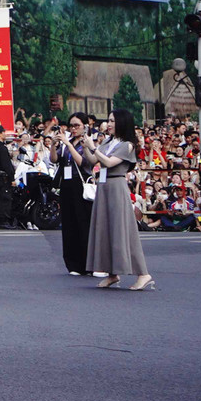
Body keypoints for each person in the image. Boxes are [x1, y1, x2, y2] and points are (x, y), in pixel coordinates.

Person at [76, 110, 153, 290]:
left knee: (122, 230)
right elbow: (94, 160)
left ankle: (143, 273)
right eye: (108, 121)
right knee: (105, 229)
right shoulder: (109, 141)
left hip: (116, 187)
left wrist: (93, 147)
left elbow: (109, 163)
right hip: (103, 187)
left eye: (112, 121)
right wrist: (87, 146)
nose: (108, 124)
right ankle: (112, 273)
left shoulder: (127, 145)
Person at [54, 112, 96, 275]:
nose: (73, 129)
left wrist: (68, 145)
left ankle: (88, 262)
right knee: (69, 223)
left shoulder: (87, 142)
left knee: (83, 223)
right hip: (67, 185)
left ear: (85, 126)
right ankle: (73, 263)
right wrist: (54, 145)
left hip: (81, 184)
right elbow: (55, 159)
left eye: (76, 125)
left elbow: (84, 162)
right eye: (71, 125)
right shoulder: (67, 142)